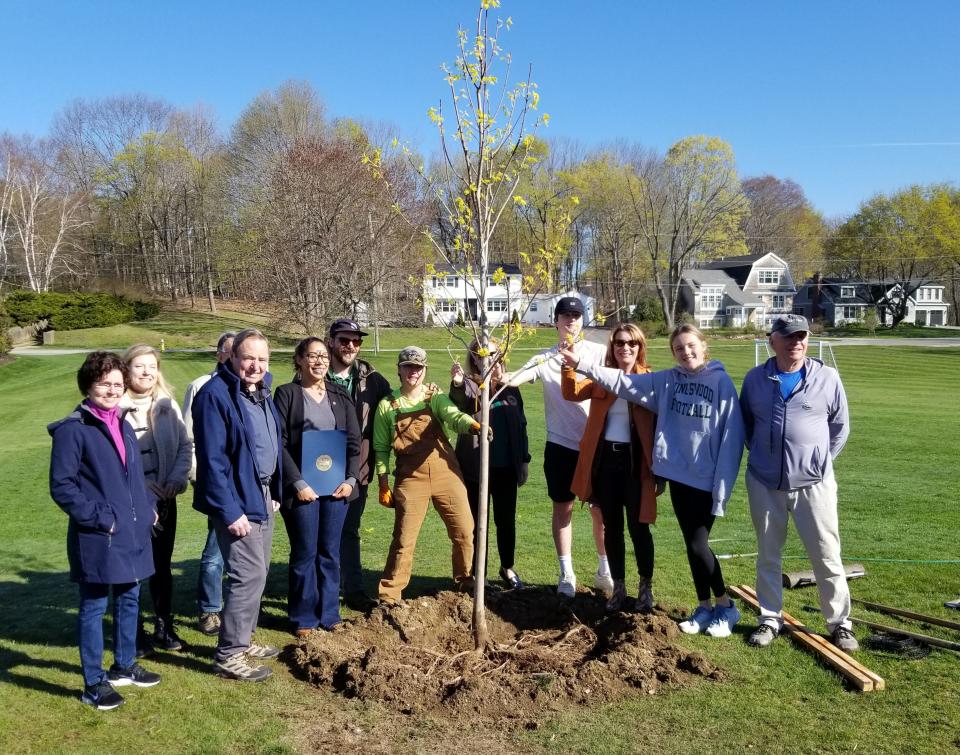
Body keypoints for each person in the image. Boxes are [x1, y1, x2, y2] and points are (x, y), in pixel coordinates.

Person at [560, 324, 745, 638]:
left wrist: (721, 488)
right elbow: (620, 382)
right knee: (691, 544)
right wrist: (579, 365)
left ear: (703, 346)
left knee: (697, 545)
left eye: (691, 346)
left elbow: (732, 438)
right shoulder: (668, 380)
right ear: (672, 353)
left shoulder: (720, 382)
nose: (686, 352)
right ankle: (704, 607)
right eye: (679, 348)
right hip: (676, 477)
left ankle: (725, 606)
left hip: (700, 478)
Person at [49, 351, 161, 711]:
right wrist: (101, 518)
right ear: (88, 385)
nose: (111, 390)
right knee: (94, 606)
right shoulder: (73, 430)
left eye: (116, 383)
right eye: (104, 383)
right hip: (99, 535)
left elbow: (132, 477)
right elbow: (63, 486)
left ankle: (124, 665)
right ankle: (93, 683)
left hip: (132, 532)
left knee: (130, 598)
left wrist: (146, 509)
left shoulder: (123, 423)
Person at [739, 314, 857, 652]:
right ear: (771, 340)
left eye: (802, 336)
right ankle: (770, 619)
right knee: (768, 554)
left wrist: (820, 461)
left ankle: (840, 624)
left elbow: (840, 426)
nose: (797, 343)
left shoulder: (827, 378)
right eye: (789, 337)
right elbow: (747, 425)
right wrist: (764, 455)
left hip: (814, 484)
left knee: (826, 554)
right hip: (764, 482)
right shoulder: (755, 379)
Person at [504, 296, 611, 598]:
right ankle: (567, 573)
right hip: (560, 446)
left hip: (595, 446)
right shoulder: (545, 358)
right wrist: (499, 375)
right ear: (556, 321)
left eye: (576, 316)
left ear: (582, 320)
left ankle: (605, 570)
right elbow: (516, 379)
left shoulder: (599, 354)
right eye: (565, 316)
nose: (571, 321)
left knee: (599, 512)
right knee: (562, 509)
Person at [192, 328, 283, 681]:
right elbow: (212, 461)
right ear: (231, 356)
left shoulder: (260, 392)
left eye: (262, 359)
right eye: (248, 357)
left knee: (257, 574)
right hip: (237, 499)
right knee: (246, 575)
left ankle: (242, 641)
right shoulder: (215, 396)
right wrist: (230, 511)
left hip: (261, 494)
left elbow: (269, 442)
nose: (255, 365)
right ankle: (229, 654)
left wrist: (273, 488)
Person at [561, 323, 658, 612]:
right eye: (619, 343)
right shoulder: (603, 379)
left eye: (631, 343)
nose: (624, 348)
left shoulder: (648, 380)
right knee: (611, 527)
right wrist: (568, 366)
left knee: (639, 528)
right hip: (607, 463)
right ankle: (619, 587)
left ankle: (645, 588)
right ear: (612, 348)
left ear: (640, 347)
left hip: (635, 464)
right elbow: (572, 393)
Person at [373, 346, 480, 603]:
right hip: (411, 478)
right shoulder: (388, 405)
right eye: (408, 367)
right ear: (399, 369)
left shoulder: (434, 397)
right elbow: (380, 448)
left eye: (418, 368)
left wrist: (470, 424)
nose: (413, 372)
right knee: (404, 538)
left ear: (425, 370)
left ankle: (465, 583)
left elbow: (452, 415)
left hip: (446, 472)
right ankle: (389, 595)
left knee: (465, 531)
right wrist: (383, 482)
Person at [275, 337, 361, 636]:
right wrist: (297, 482)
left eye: (324, 356)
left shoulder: (340, 394)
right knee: (304, 553)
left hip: (337, 489)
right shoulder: (287, 394)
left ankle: (329, 614)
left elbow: (353, 443)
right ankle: (304, 618)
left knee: (330, 552)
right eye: (312, 356)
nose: (320, 361)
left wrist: (351, 480)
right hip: (303, 490)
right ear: (299, 359)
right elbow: (280, 444)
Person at [120, 344, 192, 653]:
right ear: (127, 370)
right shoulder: (116, 406)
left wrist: (176, 479)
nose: (147, 372)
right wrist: (142, 486)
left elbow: (185, 446)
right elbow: (113, 459)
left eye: (152, 366)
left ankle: (163, 626)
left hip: (165, 498)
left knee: (161, 566)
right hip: (131, 502)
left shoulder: (167, 405)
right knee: (132, 569)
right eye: (139, 366)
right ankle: (133, 633)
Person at [449, 337, 531, 589]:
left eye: (493, 353)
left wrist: (524, 460)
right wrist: (458, 383)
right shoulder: (472, 386)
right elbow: (459, 404)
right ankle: (477, 573)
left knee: (506, 521)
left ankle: (507, 567)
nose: (488, 358)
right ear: (473, 357)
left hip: (506, 467)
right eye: (481, 354)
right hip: (476, 469)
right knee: (476, 522)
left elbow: (522, 424)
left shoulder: (510, 387)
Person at [325, 318, 391, 611]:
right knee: (320, 532)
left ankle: (353, 590)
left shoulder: (372, 379)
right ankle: (320, 593)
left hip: (359, 468)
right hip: (321, 464)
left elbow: (395, 407)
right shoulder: (316, 373)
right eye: (344, 340)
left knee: (350, 529)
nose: (350, 346)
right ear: (331, 341)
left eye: (356, 341)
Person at [182, 331, 235, 636]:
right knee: (215, 548)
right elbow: (189, 435)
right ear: (219, 355)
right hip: (214, 481)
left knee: (239, 549)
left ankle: (239, 606)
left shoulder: (250, 386)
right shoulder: (201, 386)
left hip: (242, 484)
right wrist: (196, 476)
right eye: (231, 352)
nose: (238, 357)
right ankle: (210, 609)